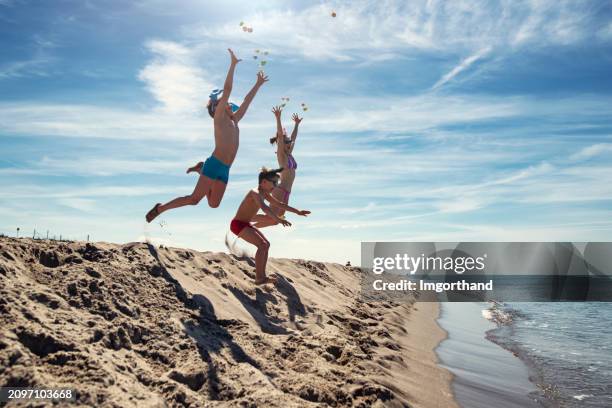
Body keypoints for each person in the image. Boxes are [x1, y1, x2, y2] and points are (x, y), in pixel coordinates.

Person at [146, 48, 268, 223]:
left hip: (225, 169)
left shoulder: (235, 120)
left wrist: (258, 84)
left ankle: (200, 169)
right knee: (194, 200)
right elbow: (227, 90)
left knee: (213, 204)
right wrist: (233, 65)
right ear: (217, 107)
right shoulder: (219, 118)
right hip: (215, 163)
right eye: (225, 103)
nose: (230, 105)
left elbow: (247, 101)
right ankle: (160, 208)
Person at [230, 167, 310, 285]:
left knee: (266, 245)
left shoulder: (265, 193)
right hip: (238, 224)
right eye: (274, 183)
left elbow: (279, 204)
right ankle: (259, 278)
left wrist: (297, 211)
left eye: (277, 183)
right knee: (262, 245)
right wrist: (277, 219)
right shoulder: (255, 192)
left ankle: (261, 276)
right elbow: (264, 207)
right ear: (264, 182)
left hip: (246, 224)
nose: (276, 186)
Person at [252, 106, 302, 228]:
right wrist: (278, 118)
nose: (290, 143)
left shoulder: (289, 154)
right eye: (287, 142)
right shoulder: (281, 155)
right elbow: (280, 136)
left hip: (287, 192)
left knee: (275, 220)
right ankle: (245, 217)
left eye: (289, 142)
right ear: (281, 144)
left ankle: (249, 227)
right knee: (272, 217)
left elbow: (294, 137)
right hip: (280, 190)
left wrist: (296, 124)